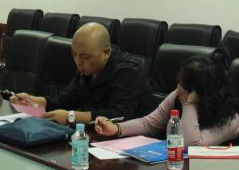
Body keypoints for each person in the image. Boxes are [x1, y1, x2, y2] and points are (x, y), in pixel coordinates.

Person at [11, 22, 156, 125]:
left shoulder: (128, 71)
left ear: (106, 52)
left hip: (132, 142)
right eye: (74, 54)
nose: (78, 62)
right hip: (97, 137)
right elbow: (64, 101)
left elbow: (119, 115)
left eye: (85, 57)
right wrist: (35, 101)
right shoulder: (86, 68)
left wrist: (71, 117)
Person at [94, 53, 239, 145]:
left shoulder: (231, 119)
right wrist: (117, 128)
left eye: (183, 85)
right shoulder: (177, 96)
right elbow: (148, 124)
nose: (178, 88)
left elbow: (189, 145)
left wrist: (189, 104)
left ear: (199, 91)